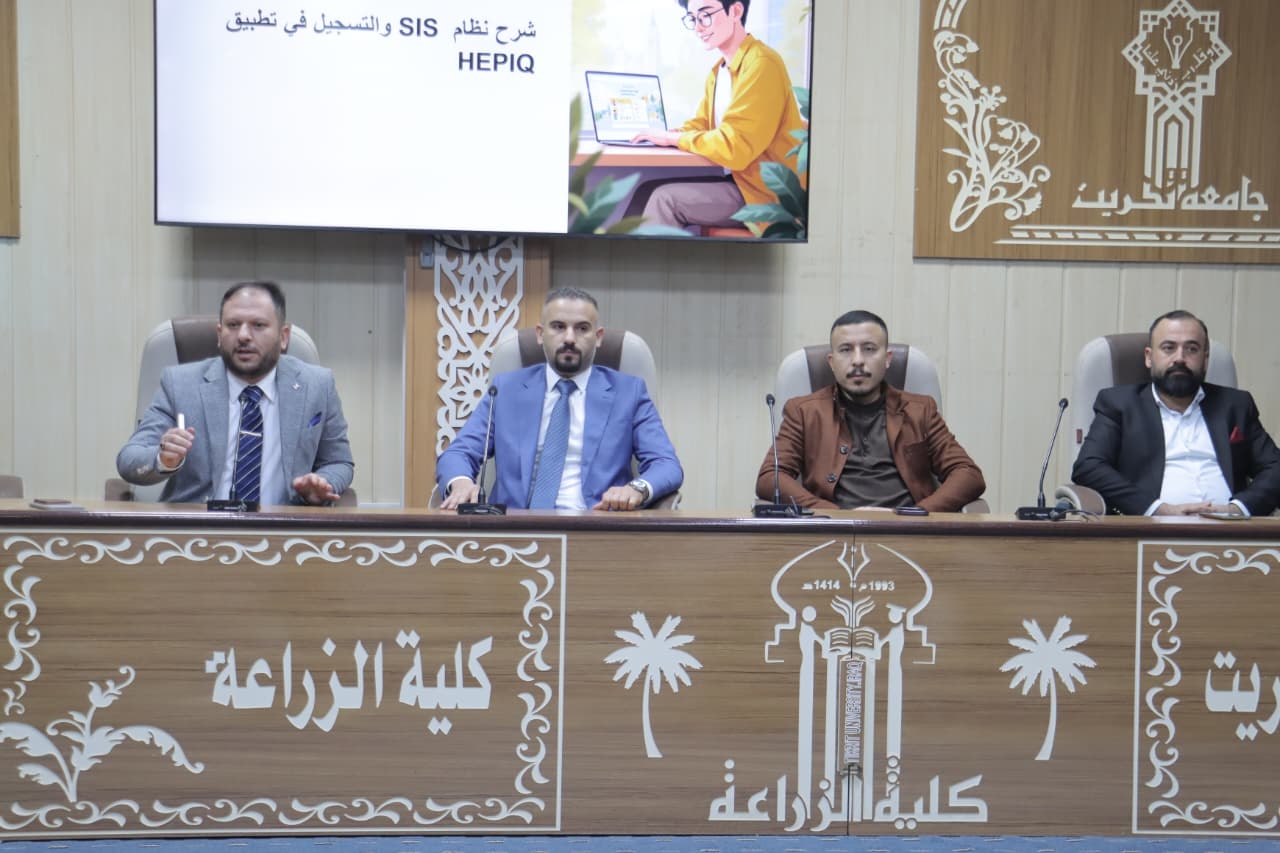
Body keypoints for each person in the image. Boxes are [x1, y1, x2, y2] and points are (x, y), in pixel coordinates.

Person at [437, 288, 683, 511]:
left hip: (598, 525)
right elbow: (459, 453)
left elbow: (666, 464)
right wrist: (461, 482)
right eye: (558, 326)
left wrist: (635, 489)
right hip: (516, 527)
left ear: (598, 337)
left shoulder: (628, 392)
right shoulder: (506, 390)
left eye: (582, 328)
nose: (569, 338)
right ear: (540, 334)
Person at [116, 281, 354, 505]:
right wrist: (162, 459)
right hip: (197, 527)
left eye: (258, 325)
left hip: (282, 527)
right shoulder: (180, 384)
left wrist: (323, 484)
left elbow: (339, 462)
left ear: (283, 337)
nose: (243, 336)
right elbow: (129, 460)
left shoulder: (317, 386)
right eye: (233, 325)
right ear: (220, 335)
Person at [755, 310, 985, 512]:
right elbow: (770, 478)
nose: (857, 360)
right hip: (833, 533)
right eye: (846, 350)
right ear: (832, 362)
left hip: (907, 533)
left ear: (887, 359)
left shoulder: (920, 410)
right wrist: (832, 514)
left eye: (869, 349)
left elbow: (968, 474)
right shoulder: (804, 412)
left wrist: (916, 514)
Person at [1072, 310, 1280, 516]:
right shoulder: (1120, 404)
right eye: (1168, 348)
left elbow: (1275, 467)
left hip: (1231, 529)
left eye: (1192, 349)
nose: (1180, 358)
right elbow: (1089, 467)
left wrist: (1238, 509)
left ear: (1205, 360)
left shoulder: (1235, 405)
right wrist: (1158, 509)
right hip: (1153, 529)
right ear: (1149, 357)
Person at [625, 0, 806, 233]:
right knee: (646, 190)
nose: (698, 27)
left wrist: (672, 139)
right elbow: (703, 124)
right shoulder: (719, 71)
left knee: (663, 199)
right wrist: (666, 134)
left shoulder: (762, 64)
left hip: (767, 196)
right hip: (742, 183)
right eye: (693, 19)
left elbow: (735, 147)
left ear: (736, 11)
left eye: (705, 15)